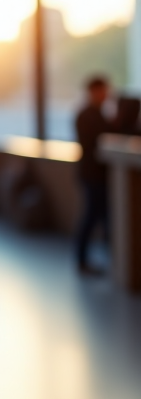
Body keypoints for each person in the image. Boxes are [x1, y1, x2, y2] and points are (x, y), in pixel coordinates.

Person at [75, 75, 112, 274]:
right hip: (92, 175)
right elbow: (94, 143)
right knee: (92, 216)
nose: (107, 94)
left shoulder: (94, 113)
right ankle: (82, 260)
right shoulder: (88, 115)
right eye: (104, 90)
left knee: (99, 216)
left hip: (93, 174)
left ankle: (112, 261)